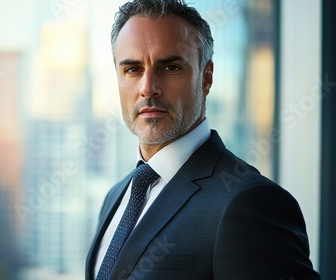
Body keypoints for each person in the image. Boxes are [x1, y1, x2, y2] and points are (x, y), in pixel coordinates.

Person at [85, 0, 321, 279]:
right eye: (132, 69)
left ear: (206, 78)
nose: (148, 88)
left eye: (170, 68)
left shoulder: (249, 202)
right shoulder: (117, 195)